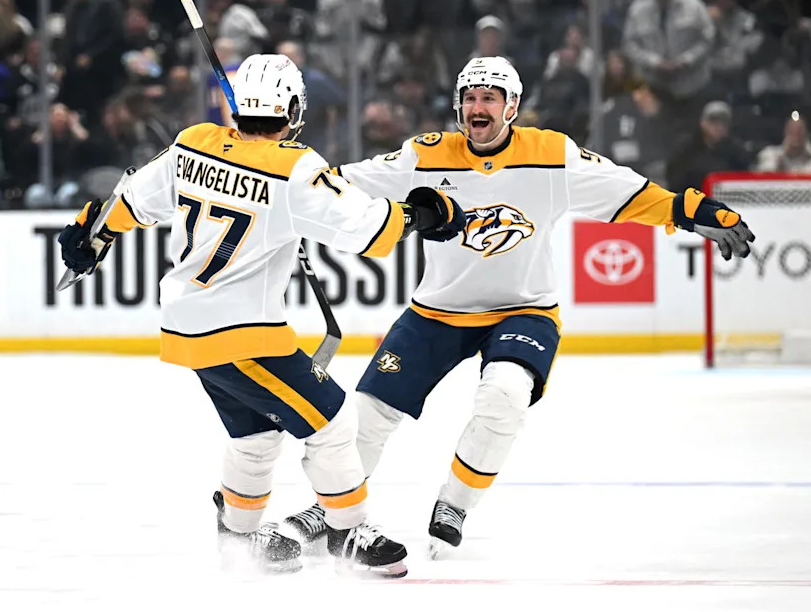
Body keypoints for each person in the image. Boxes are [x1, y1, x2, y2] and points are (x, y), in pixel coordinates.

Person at [283, 56, 756, 558]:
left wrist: (690, 209)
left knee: (504, 396)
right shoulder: (424, 155)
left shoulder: (552, 154)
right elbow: (342, 185)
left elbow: (626, 190)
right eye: (469, 97)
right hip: (437, 312)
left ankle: (455, 504)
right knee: (370, 411)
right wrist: (283, 175)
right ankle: (328, 508)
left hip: (523, 310)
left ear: (512, 107)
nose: (476, 107)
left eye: (489, 98)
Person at [56, 54, 466, 576]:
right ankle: (348, 534)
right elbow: (369, 230)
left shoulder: (192, 144)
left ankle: (240, 540)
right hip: (241, 334)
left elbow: (131, 200)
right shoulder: (295, 167)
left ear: (236, 106)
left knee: (255, 438)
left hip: (188, 325)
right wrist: (428, 213)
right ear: (292, 109)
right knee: (334, 420)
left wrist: (94, 234)